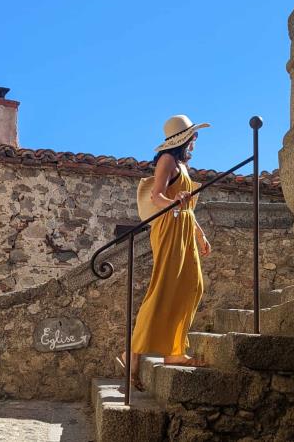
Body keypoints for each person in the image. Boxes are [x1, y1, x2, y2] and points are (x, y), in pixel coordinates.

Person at [117, 115, 212, 391]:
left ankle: (173, 350)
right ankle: (132, 356)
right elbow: (156, 196)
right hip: (169, 227)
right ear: (185, 138)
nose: (196, 140)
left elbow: (187, 207)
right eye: (194, 135)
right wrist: (175, 202)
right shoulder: (167, 161)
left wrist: (199, 233)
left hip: (183, 225)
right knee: (162, 289)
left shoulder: (182, 165)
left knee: (193, 287)